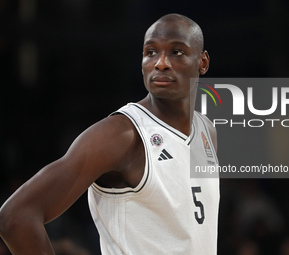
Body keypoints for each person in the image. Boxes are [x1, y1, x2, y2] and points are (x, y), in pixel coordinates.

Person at [0, 13, 220, 254]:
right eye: (151, 52)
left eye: (177, 52)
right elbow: (16, 217)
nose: (161, 63)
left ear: (203, 62)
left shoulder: (207, 130)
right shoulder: (121, 134)